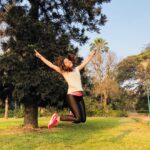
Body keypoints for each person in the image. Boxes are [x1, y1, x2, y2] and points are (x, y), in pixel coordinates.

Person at [34, 49, 96, 128]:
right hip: (72, 96)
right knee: (78, 118)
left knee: (83, 119)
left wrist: (92, 55)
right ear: (64, 66)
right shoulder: (64, 72)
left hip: (80, 96)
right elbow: (50, 65)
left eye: (68, 60)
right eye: (66, 62)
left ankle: (72, 114)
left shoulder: (77, 69)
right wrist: (40, 56)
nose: (69, 62)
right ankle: (56, 118)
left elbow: (85, 62)